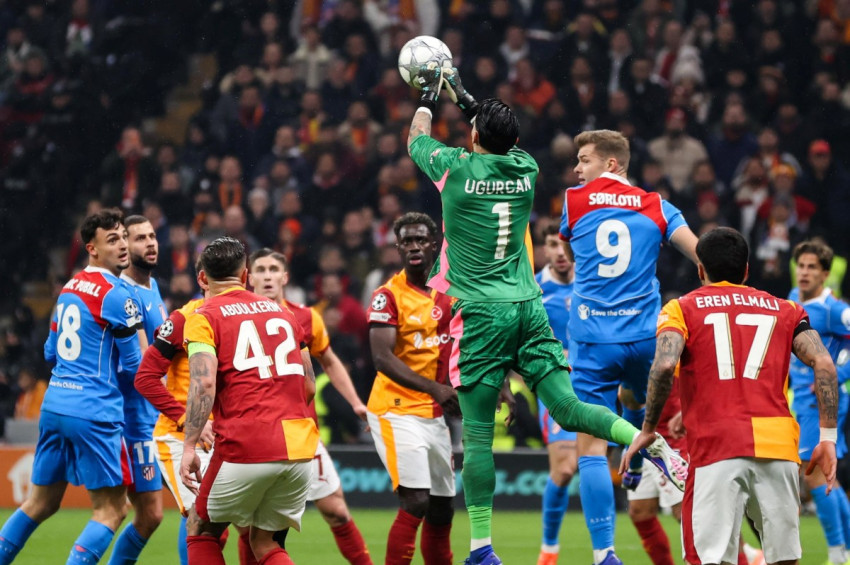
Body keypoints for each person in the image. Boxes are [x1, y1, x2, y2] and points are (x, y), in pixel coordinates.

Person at [406, 65, 686, 565]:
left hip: (480, 313)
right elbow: (497, 136)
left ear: (473, 137)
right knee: (570, 409)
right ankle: (645, 439)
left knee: (478, 435)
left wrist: (428, 98)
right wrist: (467, 98)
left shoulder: (453, 168)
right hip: (528, 307)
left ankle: (482, 547)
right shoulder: (526, 170)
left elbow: (415, 139)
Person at [623, 226, 840, 565]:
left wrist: (648, 428)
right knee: (784, 559)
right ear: (747, 270)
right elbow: (824, 362)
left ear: (700, 270)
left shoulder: (681, 308)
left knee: (711, 558)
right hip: (777, 446)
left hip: (716, 445)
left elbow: (664, 365)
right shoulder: (786, 309)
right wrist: (827, 437)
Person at [559, 128, 699, 565]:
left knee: (590, 448)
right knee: (637, 397)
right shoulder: (658, 205)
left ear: (611, 164)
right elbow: (700, 255)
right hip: (643, 336)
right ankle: (639, 460)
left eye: (584, 160)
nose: (577, 169)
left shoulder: (574, 201)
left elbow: (570, 243)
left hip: (593, 339)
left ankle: (604, 553)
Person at [0, 209, 145, 564]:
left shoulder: (69, 288)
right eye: (112, 240)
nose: (123, 245)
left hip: (55, 406)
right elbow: (134, 366)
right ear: (91, 248)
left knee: (40, 503)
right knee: (112, 509)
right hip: (94, 411)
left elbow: (50, 352)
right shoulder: (117, 295)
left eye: (123, 237)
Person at [179, 237, 318, 565]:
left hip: (246, 442)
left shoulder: (203, 316)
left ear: (203, 279)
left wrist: (189, 447)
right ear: (245, 275)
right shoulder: (284, 313)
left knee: (200, 528)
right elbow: (309, 385)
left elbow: (203, 383)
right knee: (265, 541)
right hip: (298, 446)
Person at [248, 248, 373, 565]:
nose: (267, 276)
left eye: (273, 269)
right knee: (253, 525)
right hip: (256, 432)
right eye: (260, 269)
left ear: (285, 277)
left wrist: (356, 403)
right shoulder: (238, 318)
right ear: (248, 278)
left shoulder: (306, 317)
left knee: (336, 510)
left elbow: (329, 361)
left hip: (301, 430)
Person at [366, 212, 457, 565]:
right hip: (395, 408)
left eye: (421, 240)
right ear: (398, 248)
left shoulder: (452, 291)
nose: (414, 247)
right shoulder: (387, 296)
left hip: (433, 412)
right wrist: (436, 389)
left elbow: (471, 341)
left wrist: (502, 385)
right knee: (416, 500)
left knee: (442, 508)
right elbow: (381, 358)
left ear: (434, 244)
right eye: (407, 241)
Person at [135, 259, 218, 565]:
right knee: (201, 520)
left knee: (249, 524)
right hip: (181, 436)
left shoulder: (244, 319)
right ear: (203, 280)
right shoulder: (183, 319)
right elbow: (145, 378)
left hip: (229, 436)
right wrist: (187, 420)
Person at [110, 215, 168, 564]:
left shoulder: (152, 286)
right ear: (125, 246)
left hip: (154, 415)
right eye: (140, 238)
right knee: (145, 513)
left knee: (152, 515)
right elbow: (144, 364)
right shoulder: (125, 294)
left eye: (152, 236)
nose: (150, 243)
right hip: (133, 418)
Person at [788, 240, 850, 565]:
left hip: (820, 401)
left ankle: (837, 553)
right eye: (801, 266)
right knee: (828, 477)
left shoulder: (834, 310)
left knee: (812, 472)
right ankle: (846, 550)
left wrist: (836, 374)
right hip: (799, 398)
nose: (805, 272)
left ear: (825, 274)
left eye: (812, 267)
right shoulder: (792, 298)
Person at [533, 225, 577, 565]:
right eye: (553, 245)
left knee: (594, 465)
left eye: (565, 244)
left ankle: (604, 550)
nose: (560, 252)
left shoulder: (592, 283)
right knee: (564, 469)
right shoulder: (534, 290)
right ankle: (549, 547)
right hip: (556, 386)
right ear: (544, 250)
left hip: (597, 383)